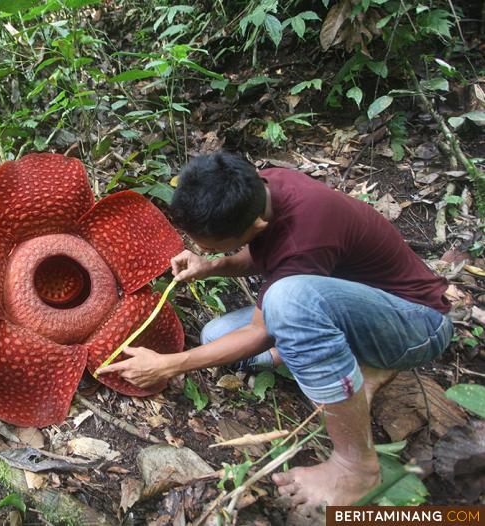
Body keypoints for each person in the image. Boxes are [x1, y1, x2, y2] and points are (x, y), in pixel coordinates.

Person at [97, 150, 452, 508]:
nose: (200, 248)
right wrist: (210, 265)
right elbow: (267, 253)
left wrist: (168, 364)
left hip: (416, 323)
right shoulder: (262, 187)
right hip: (355, 308)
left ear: (255, 228)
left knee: (287, 301)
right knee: (216, 338)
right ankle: (356, 366)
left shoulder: (308, 237)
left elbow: (260, 329)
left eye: (209, 245)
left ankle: (356, 465)